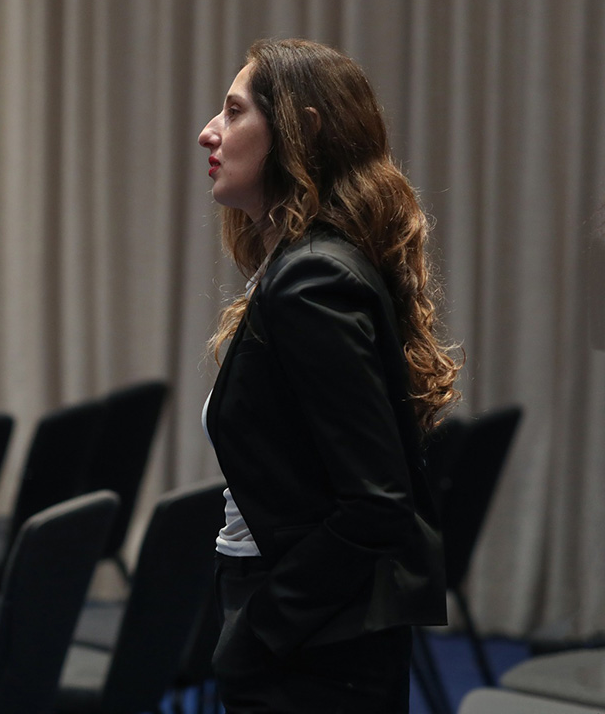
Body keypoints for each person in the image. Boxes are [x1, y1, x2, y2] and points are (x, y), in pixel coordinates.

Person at [197, 38, 460, 712]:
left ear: (301, 132)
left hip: (313, 643)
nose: (208, 132)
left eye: (234, 111)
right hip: (316, 629)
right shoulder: (304, 265)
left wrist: (261, 630)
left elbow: (375, 503)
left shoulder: (312, 277)